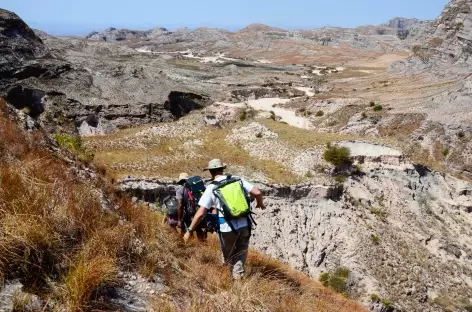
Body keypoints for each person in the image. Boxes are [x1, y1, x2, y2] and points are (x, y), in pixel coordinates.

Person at [183, 159, 266, 279]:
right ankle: (238, 276)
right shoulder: (237, 179)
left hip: (226, 227)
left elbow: (201, 213)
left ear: (211, 172)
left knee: (228, 255)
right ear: (223, 169)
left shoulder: (211, 187)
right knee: (242, 250)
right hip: (244, 224)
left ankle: (226, 280)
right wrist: (260, 204)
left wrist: (189, 230)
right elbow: (257, 192)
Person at [176, 172, 207, 240]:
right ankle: (203, 248)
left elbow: (180, 205)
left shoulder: (180, 190)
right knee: (201, 235)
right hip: (199, 213)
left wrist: (179, 220)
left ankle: (191, 247)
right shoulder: (196, 187)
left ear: (180, 181)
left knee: (188, 234)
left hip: (189, 215)